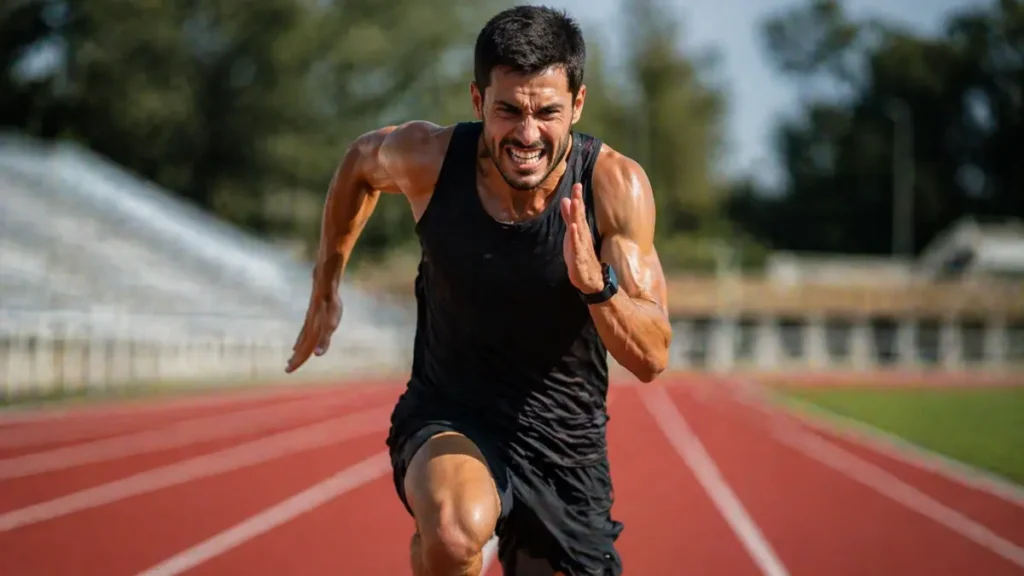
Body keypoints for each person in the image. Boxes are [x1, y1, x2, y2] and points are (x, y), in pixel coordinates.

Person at [285, 5, 672, 575]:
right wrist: (326, 283)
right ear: (477, 102)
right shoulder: (432, 160)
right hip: (450, 410)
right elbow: (360, 163)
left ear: (578, 105)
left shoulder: (614, 187)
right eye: (508, 110)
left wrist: (598, 286)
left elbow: (653, 356)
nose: (527, 133)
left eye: (547, 113)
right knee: (455, 526)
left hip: (565, 442)